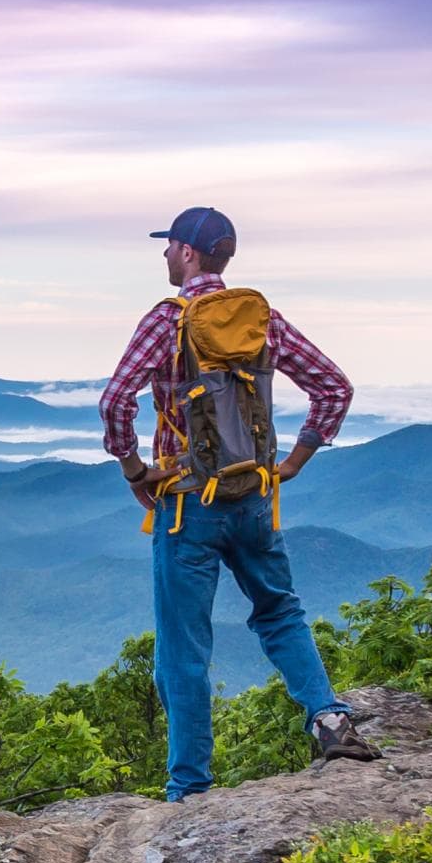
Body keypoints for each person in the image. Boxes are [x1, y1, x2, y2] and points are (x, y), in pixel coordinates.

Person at [99, 206, 379, 799]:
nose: (166, 256)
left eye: (170, 246)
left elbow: (115, 400)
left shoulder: (167, 321)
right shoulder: (262, 318)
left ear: (190, 253)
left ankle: (190, 790)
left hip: (186, 504)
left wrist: (132, 469)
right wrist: (295, 461)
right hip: (254, 496)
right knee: (280, 612)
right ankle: (330, 720)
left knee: (183, 650)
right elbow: (335, 387)